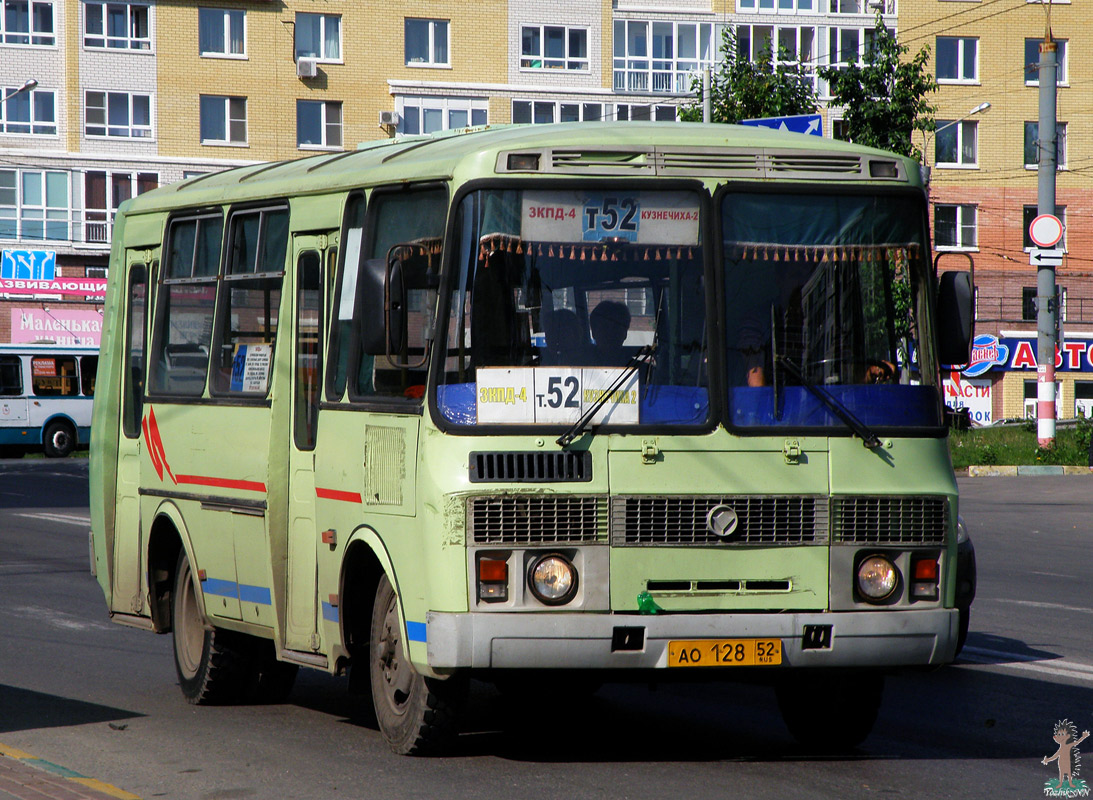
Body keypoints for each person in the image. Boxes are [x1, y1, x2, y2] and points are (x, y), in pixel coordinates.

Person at [589, 300, 631, 366]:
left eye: (615, 328)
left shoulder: (644, 371)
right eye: (605, 328)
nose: (610, 334)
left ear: (625, 333)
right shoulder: (576, 365)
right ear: (594, 333)